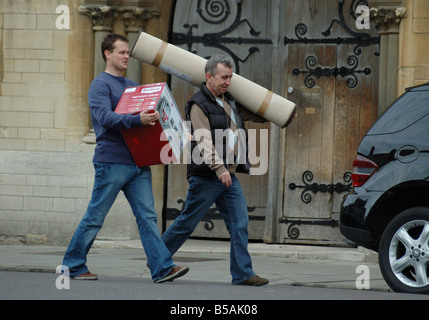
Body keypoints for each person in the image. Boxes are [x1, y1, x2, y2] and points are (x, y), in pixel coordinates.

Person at [62, 34, 188, 283]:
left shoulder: (132, 85)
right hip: (112, 162)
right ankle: (73, 265)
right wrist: (136, 119)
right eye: (121, 52)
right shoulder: (100, 85)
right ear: (108, 54)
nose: (127, 56)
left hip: (138, 163)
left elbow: (147, 121)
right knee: (95, 217)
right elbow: (104, 118)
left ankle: (162, 268)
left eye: (128, 52)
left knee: (148, 217)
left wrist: (173, 128)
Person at [161, 55, 269, 286]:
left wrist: (283, 111)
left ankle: (242, 274)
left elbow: (258, 115)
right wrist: (219, 168)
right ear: (209, 77)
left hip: (227, 175)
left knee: (239, 223)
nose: (228, 82)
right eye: (224, 77)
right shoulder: (199, 104)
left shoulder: (229, 102)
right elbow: (203, 140)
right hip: (207, 175)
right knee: (187, 222)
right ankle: (157, 259)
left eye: (231, 77)